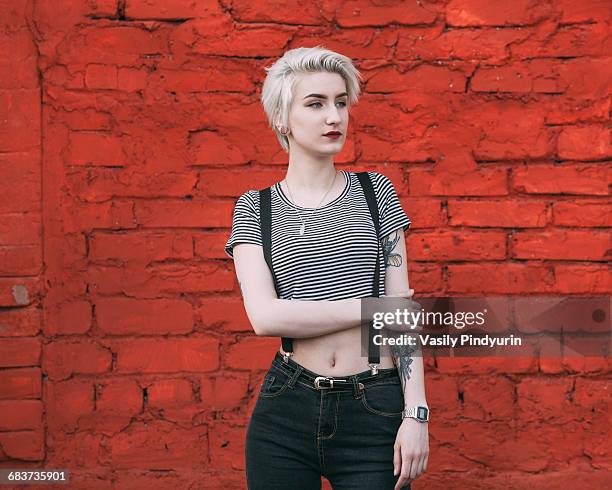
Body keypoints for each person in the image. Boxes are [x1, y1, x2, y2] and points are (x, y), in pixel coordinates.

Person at [224, 46, 429, 490]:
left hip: (375, 405)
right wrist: (368, 310)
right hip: (286, 408)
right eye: (315, 104)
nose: (333, 116)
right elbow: (265, 317)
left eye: (340, 102)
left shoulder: (377, 194)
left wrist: (416, 413)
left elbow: (402, 322)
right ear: (282, 118)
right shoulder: (255, 208)